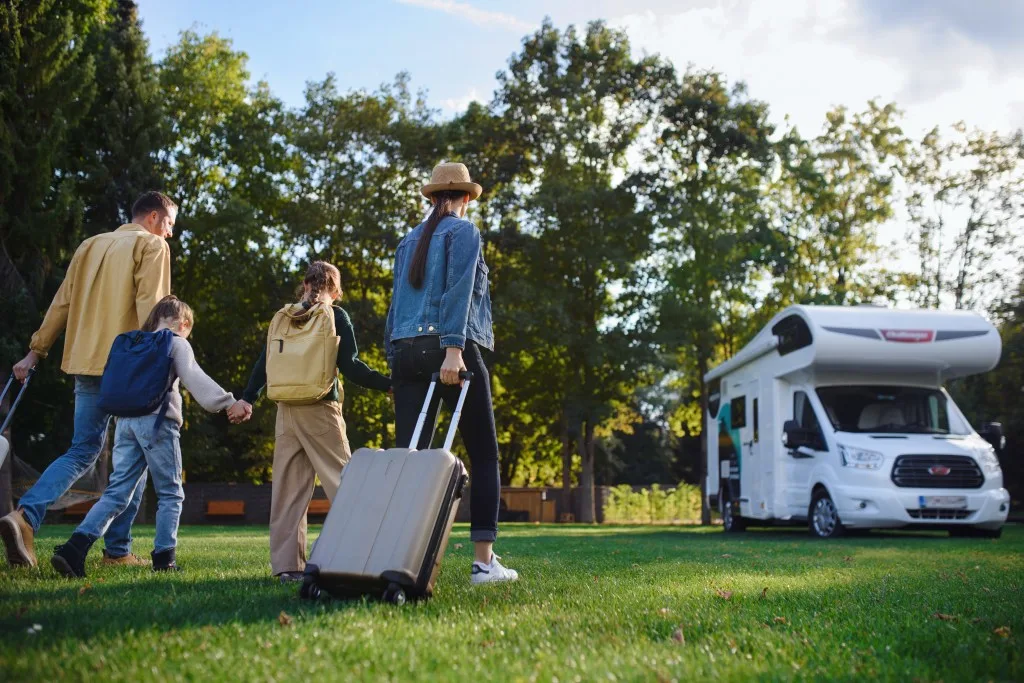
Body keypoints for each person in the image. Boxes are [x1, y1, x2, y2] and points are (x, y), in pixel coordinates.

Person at [1, 192, 177, 569]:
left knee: (82, 450)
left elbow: (62, 301)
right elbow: (154, 309)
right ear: (152, 217)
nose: (170, 233)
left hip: (86, 362)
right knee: (139, 454)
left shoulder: (89, 245)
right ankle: (117, 550)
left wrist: (36, 350)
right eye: (169, 223)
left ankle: (25, 517)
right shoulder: (152, 247)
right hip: (129, 367)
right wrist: (167, 360)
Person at [384, 162, 518, 585]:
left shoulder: (407, 240)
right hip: (446, 349)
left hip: (404, 353)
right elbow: (458, 291)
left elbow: (394, 307)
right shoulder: (464, 232)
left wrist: (395, 361)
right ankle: (483, 564)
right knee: (485, 455)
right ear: (464, 197)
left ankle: (396, 557)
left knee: (411, 460)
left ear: (433, 198)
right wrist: (453, 352)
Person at [51, 296, 243, 577]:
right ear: (184, 323)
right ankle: (165, 559)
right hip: (157, 424)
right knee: (170, 493)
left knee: (117, 493)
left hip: (124, 424)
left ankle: (74, 548)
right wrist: (228, 402)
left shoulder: (133, 343)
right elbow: (194, 377)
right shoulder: (176, 343)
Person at [232, 261, 391, 582]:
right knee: (345, 483)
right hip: (320, 408)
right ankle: (361, 557)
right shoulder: (336, 316)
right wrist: (387, 384)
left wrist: (248, 397)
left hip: (286, 409)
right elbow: (350, 365)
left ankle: (288, 567)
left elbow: (265, 362)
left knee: (289, 491)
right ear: (336, 289)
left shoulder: (284, 317)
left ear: (304, 285)